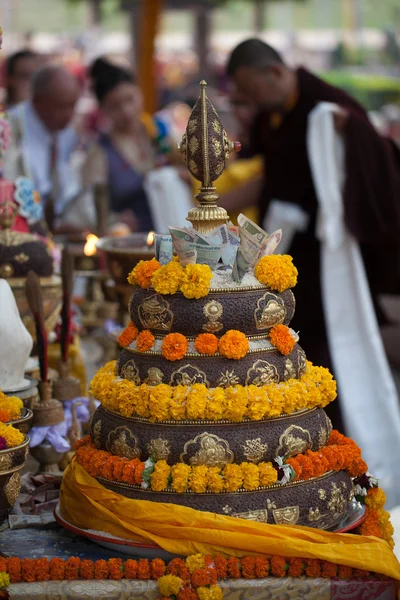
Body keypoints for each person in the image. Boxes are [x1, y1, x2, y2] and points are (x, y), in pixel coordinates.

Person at [224, 38, 400, 507]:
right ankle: (305, 441)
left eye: (249, 90)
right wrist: (210, 207)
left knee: (322, 346)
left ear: (275, 73)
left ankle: (338, 448)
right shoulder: (273, 114)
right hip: (285, 245)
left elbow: (380, 156)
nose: (251, 103)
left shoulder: (328, 106)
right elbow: (268, 176)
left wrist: (349, 135)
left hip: (326, 255)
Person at [82, 57, 190, 234]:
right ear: (103, 110)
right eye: (115, 106)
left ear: (140, 94)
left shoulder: (159, 132)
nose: (126, 111)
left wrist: (182, 176)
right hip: (132, 242)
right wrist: (114, 220)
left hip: (176, 234)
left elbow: (192, 168)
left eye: (130, 99)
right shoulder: (100, 151)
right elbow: (89, 208)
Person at [4, 65, 84, 231]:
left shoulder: (66, 132)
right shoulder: (7, 131)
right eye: (62, 107)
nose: (69, 114)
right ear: (38, 101)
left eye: (73, 106)